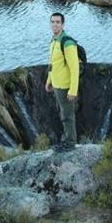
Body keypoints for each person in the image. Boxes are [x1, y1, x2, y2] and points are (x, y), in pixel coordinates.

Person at [45, 12, 79, 152]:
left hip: (66, 87)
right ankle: (66, 139)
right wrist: (49, 81)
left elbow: (75, 68)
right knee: (63, 114)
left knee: (67, 116)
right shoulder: (54, 40)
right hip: (57, 85)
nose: (55, 24)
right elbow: (53, 64)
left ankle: (70, 143)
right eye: (52, 22)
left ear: (63, 24)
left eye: (58, 22)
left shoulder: (67, 42)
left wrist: (73, 90)